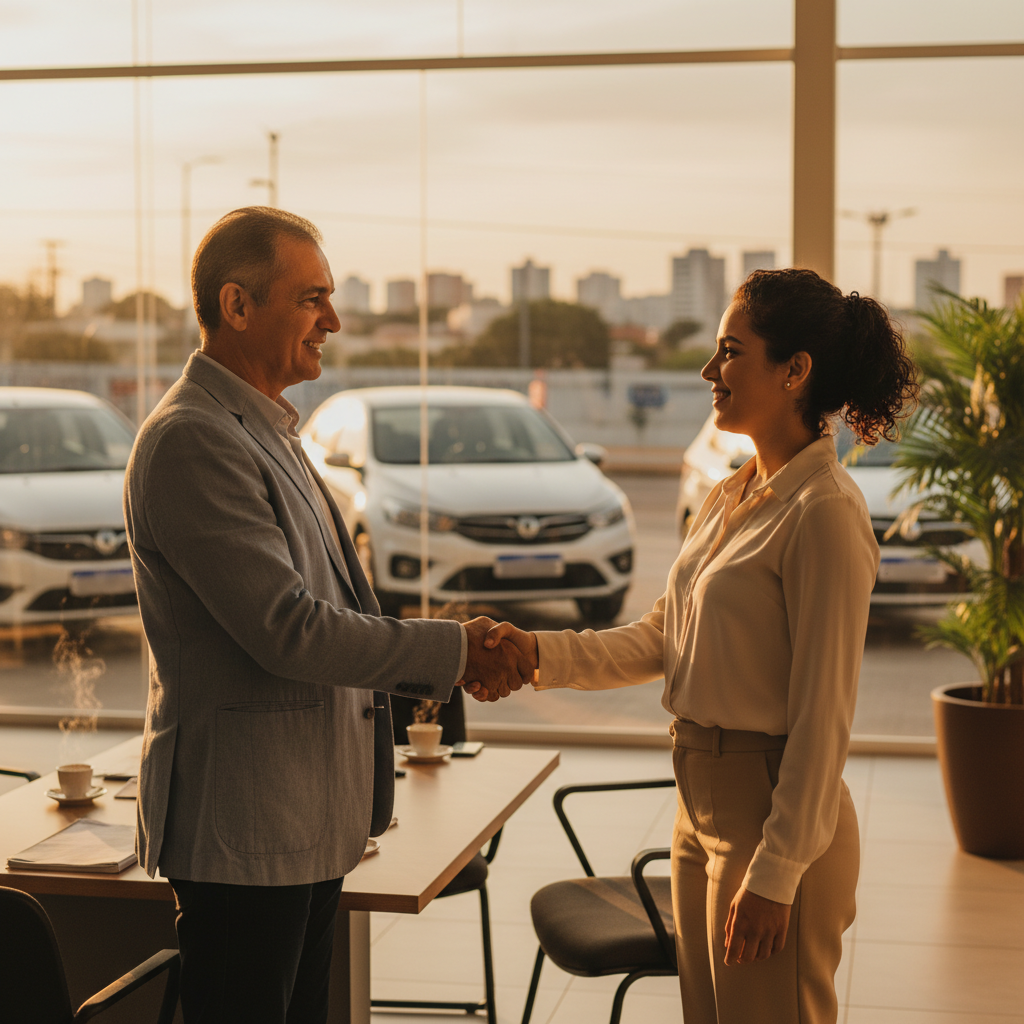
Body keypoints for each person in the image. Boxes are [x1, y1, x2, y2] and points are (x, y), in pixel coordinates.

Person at [471, 269, 918, 1024]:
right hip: (696, 810)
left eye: (730, 352)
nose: (710, 371)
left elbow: (823, 717)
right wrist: (536, 651)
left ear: (795, 370)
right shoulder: (732, 492)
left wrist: (777, 871)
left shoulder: (825, 512)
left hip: (770, 818)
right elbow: (662, 636)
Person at [124, 206, 529, 1024]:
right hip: (246, 832)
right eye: (312, 299)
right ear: (237, 306)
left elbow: (331, 604)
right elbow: (290, 628)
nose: (333, 321)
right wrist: (454, 651)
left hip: (298, 822)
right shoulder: (193, 439)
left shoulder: (265, 427)